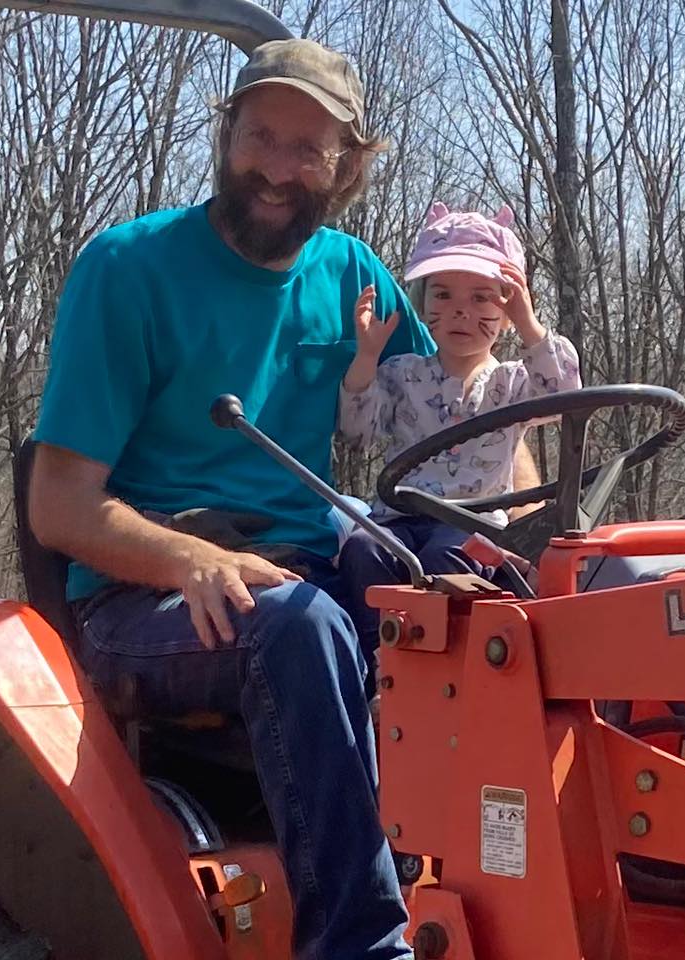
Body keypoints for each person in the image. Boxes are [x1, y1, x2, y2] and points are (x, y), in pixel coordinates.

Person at [29, 37, 430, 960]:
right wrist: (190, 557)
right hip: (150, 596)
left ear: (348, 166)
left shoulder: (353, 276)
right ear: (227, 133)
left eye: (307, 148)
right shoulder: (129, 268)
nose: (278, 168)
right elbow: (61, 507)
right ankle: (361, 945)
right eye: (262, 135)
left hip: (309, 576)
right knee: (303, 626)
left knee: (485, 601)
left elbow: (447, 427)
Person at [337, 202, 581, 654]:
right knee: (361, 552)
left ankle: (441, 669)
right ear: (422, 303)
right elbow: (358, 431)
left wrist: (530, 326)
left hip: (473, 523)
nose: (460, 312)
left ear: (507, 310)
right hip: (399, 517)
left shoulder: (513, 383)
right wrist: (366, 357)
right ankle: (379, 666)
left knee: (445, 561)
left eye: (481, 298)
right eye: (443, 295)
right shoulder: (403, 372)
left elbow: (565, 396)